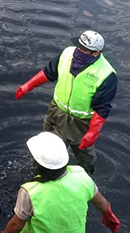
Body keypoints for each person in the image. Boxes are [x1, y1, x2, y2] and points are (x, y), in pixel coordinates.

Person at [0, 132, 120, 233]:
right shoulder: (81, 176)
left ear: (37, 165)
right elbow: (102, 203)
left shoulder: (30, 191)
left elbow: (16, 225)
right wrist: (108, 216)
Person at [15, 31, 118, 175]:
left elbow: (102, 109)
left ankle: (86, 178)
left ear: (95, 53)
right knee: (47, 148)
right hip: (56, 112)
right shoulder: (67, 54)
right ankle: (42, 174)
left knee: (84, 155)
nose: (78, 51)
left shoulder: (106, 74)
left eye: (83, 50)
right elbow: (49, 72)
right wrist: (28, 86)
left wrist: (92, 134)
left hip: (80, 123)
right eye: (78, 47)